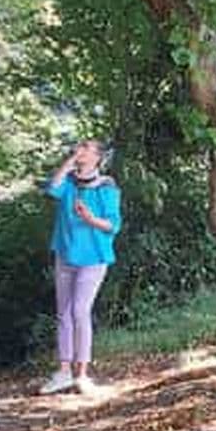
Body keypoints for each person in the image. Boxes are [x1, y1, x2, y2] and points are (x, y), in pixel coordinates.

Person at [41, 139, 122, 396]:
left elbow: (113, 225)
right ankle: (64, 372)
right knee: (63, 312)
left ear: (98, 157)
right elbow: (52, 188)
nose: (81, 150)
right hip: (65, 254)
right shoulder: (69, 183)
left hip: (94, 257)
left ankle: (82, 374)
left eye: (86, 147)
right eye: (79, 147)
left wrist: (90, 219)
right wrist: (69, 162)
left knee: (79, 311)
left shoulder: (106, 187)